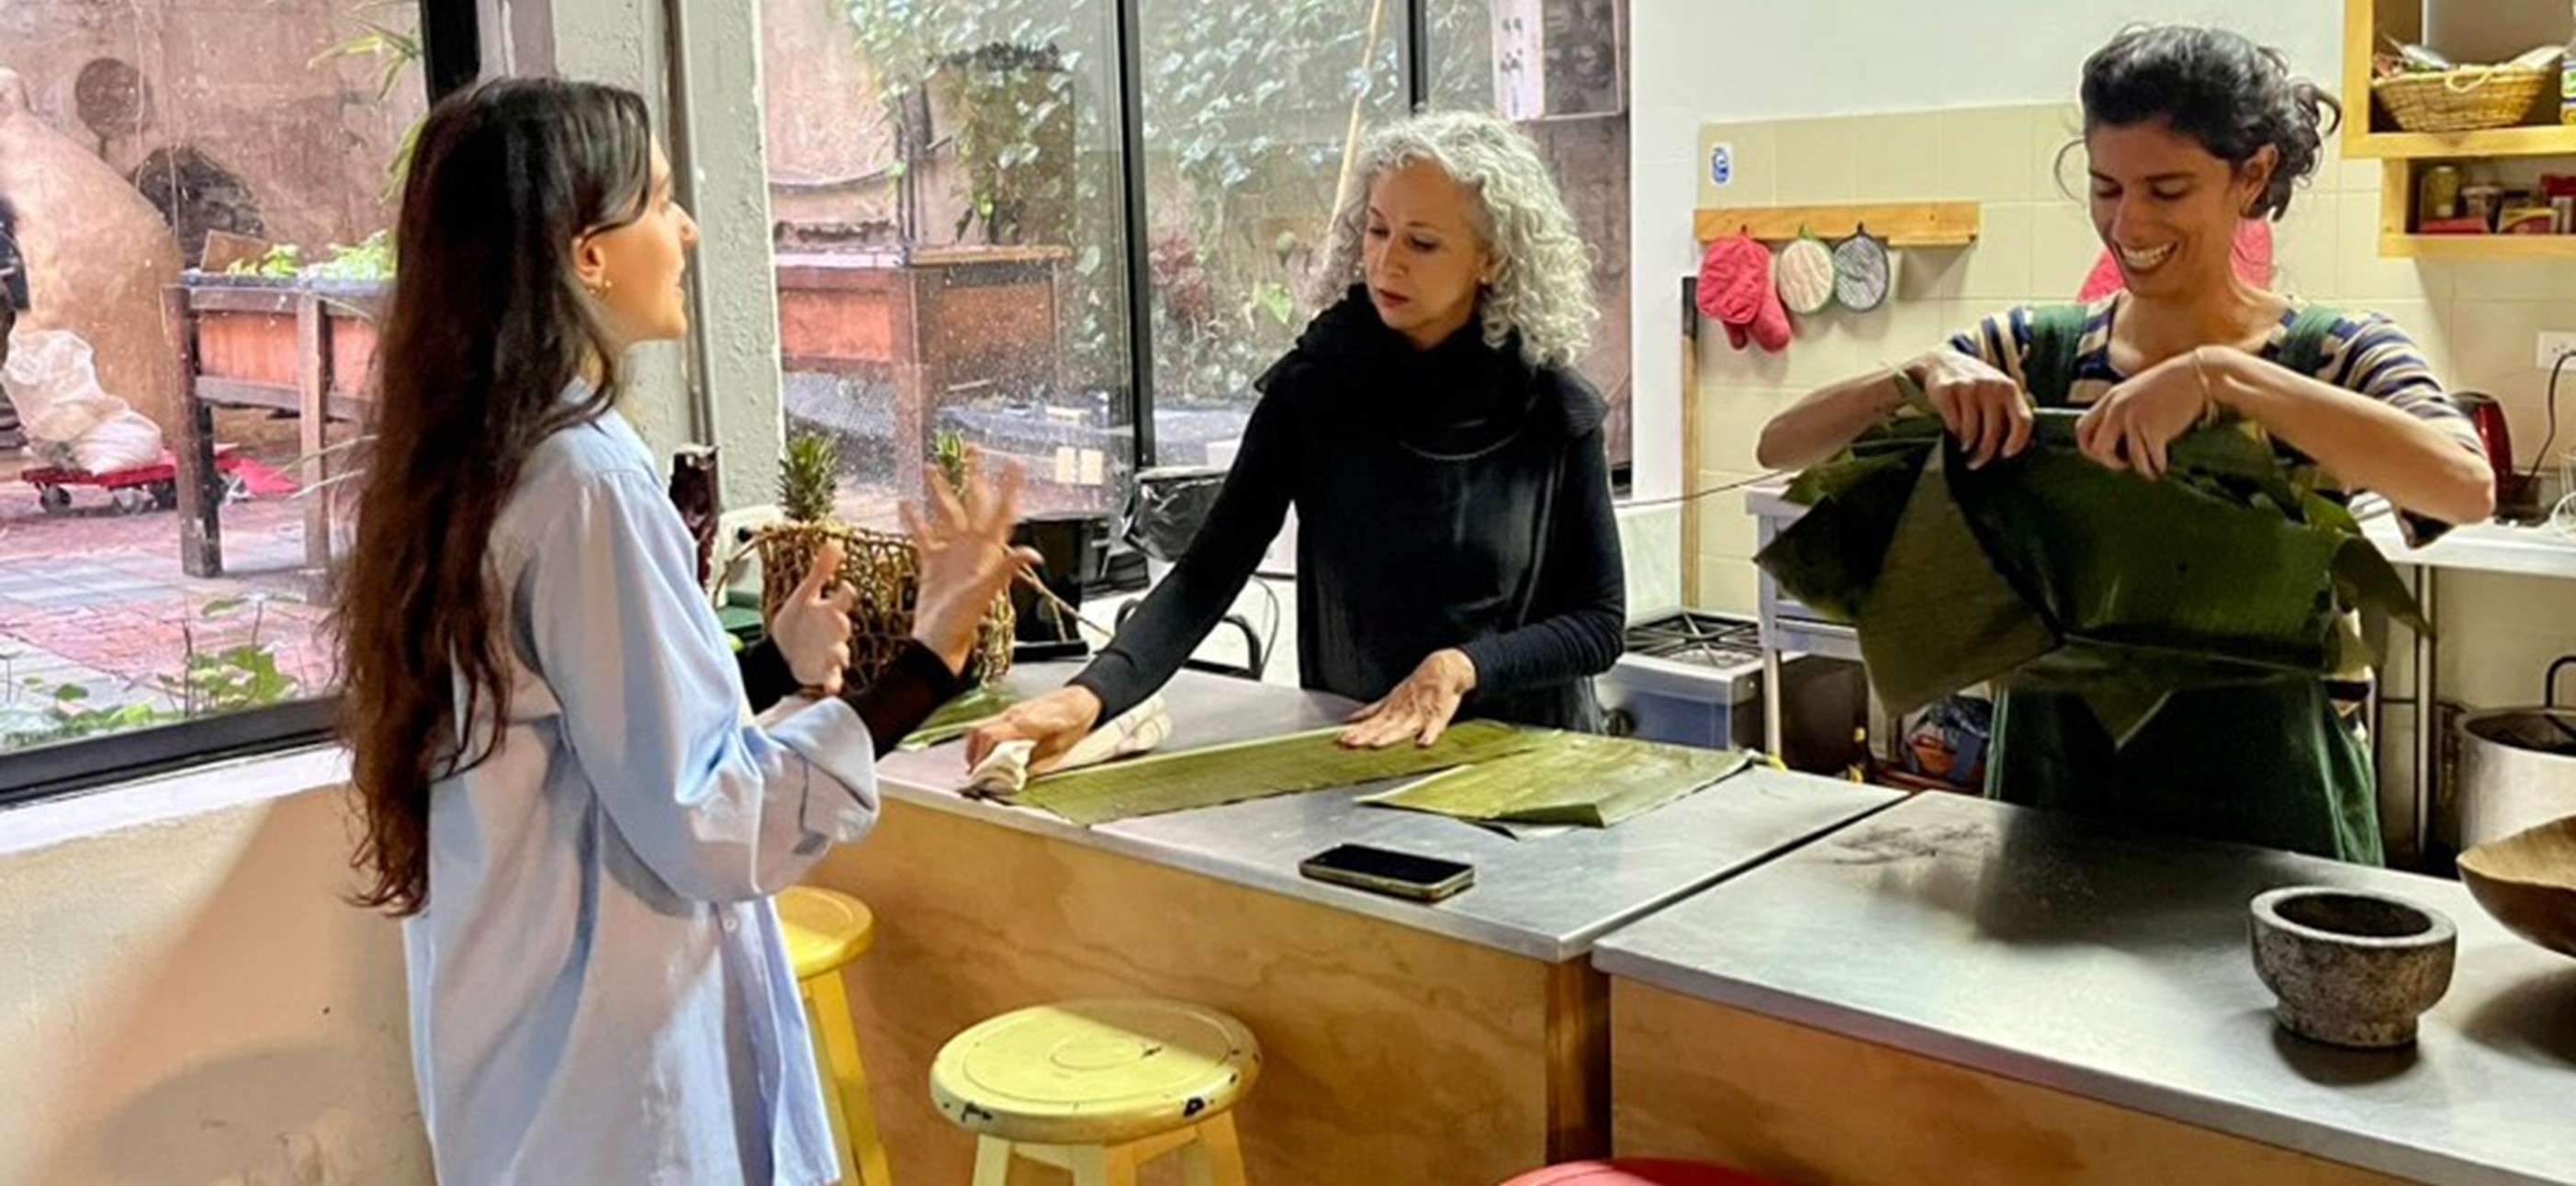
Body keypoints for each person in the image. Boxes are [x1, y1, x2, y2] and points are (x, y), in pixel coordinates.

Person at [333, 77, 1031, 1184]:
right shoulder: (587, 482)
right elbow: (708, 821)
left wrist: (757, 667)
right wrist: (929, 659)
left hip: (527, 1073)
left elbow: (581, 733)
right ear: (587, 255)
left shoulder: (477, 462)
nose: (689, 228)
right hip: (614, 1089)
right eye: (659, 200)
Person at [1757, 24, 2493, 864]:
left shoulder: (2333, 353)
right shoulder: (2034, 350)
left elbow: (2463, 486)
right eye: (2105, 187)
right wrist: (1916, 373)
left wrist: (2225, 377)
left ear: (2251, 175)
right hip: (2051, 802)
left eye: (2166, 189)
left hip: (2274, 823)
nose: (2127, 221)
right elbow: (1781, 445)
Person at [968, 110, 1624, 766]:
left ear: (1492, 258)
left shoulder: (1552, 409)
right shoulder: (1318, 387)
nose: (1386, 261)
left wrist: (1462, 667)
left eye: (1422, 243)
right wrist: (1089, 695)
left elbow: (1597, 622)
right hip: (1359, 757)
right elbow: (1208, 572)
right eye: (1377, 230)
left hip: (1530, 764)